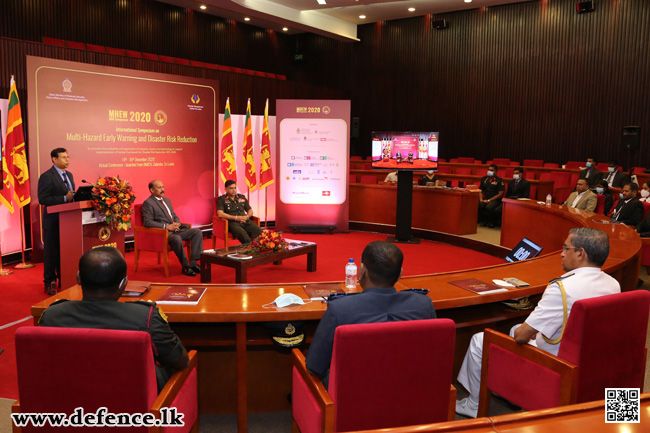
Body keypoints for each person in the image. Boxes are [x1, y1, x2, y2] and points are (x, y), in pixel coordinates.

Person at [455, 228, 620, 418]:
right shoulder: (613, 284)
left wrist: (530, 331)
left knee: (480, 340)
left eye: (566, 248)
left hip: (558, 367)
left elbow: (521, 337)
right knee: (514, 327)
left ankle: (475, 404)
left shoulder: (562, 288)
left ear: (581, 253)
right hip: (592, 358)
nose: (562, 253)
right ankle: (510, 392)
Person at [39, 247, 190, 392]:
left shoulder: (52, 316)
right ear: (123, 284)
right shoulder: (146, 318)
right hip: (133, 407)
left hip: (71, 403)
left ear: (78, 278)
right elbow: (180, 361)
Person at [305, 241, 436, 389]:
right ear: (400, 274)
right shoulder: (424, 306)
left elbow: (314, 366)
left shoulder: (340, 309)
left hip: (354, 397)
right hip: (408, 391)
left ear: (361, 270)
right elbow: (432, 359)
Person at [142, 180, 204, 276]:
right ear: (151, 190)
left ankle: (193, 263)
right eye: (159, 187)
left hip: (175, 230)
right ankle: (185, 266)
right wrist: (167, 226)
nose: (162, 189)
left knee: (197, 232)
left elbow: (174, 215)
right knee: (177, 238)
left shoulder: (167, 200)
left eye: (163, 187)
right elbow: (147, 222)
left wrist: (177, 223)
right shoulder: (148, 203)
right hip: (163, 233)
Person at [37, 148, 75, 295]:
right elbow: (43, 199)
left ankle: (64, 279)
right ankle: (49, 282)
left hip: (68, 222)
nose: (67, 160)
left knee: (64, 253)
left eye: (68, 157)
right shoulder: (47, 176)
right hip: (53, 222)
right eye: (64, 157)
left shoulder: (69, 175)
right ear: (54, 159)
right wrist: (64, 198)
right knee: (51, 254)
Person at [216, 180, 263, 244]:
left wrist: (247, 217)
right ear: (226, 189)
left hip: (245, 221)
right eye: (231, 188)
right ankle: (248, 250)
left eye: (235, 188)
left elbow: (250, 210)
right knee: (243, 235)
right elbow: (220, 214)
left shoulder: (241, 197)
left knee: (259, 231)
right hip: (232, 223)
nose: (234, 190)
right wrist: (236, 218)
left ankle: (253, 247)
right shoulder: (222, 199)